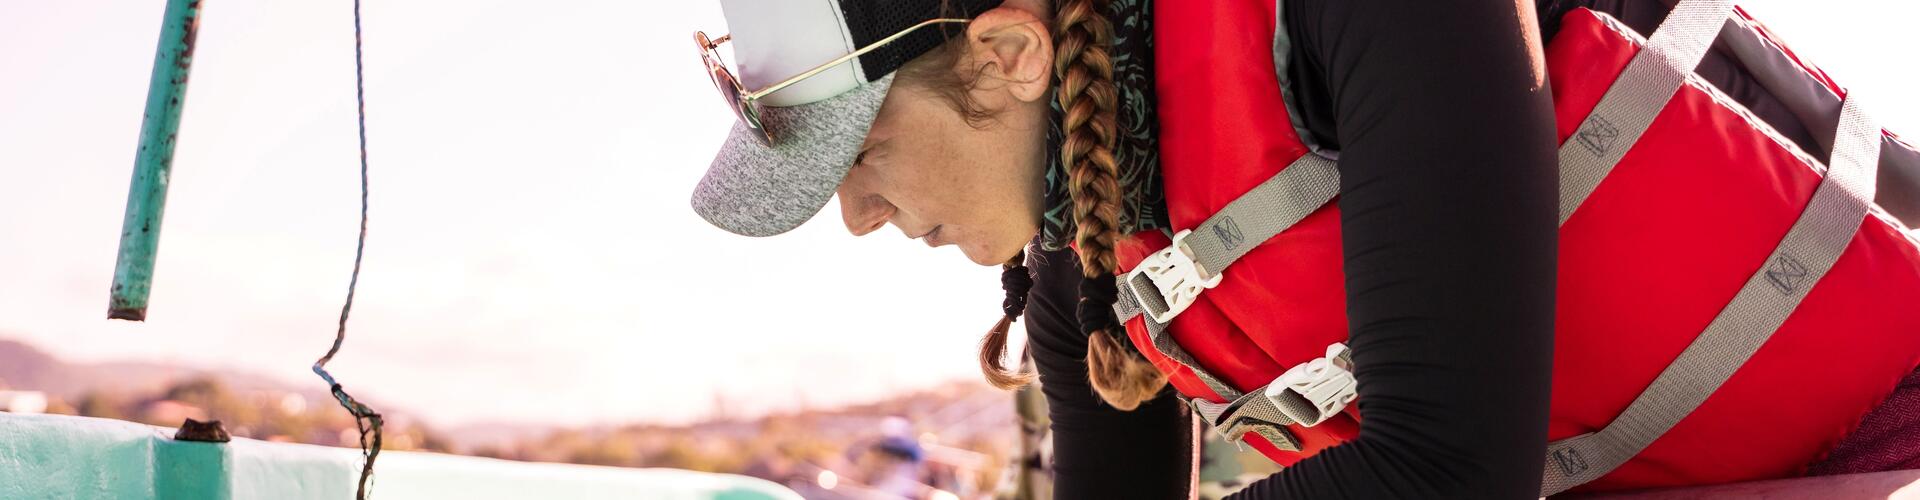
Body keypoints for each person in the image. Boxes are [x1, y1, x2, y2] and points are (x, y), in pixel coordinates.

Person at [687, 0, 1920, 497]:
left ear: (1008, 57)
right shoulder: (1096, 276)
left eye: (858, 155)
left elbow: (1444, 472)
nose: (852, 215)